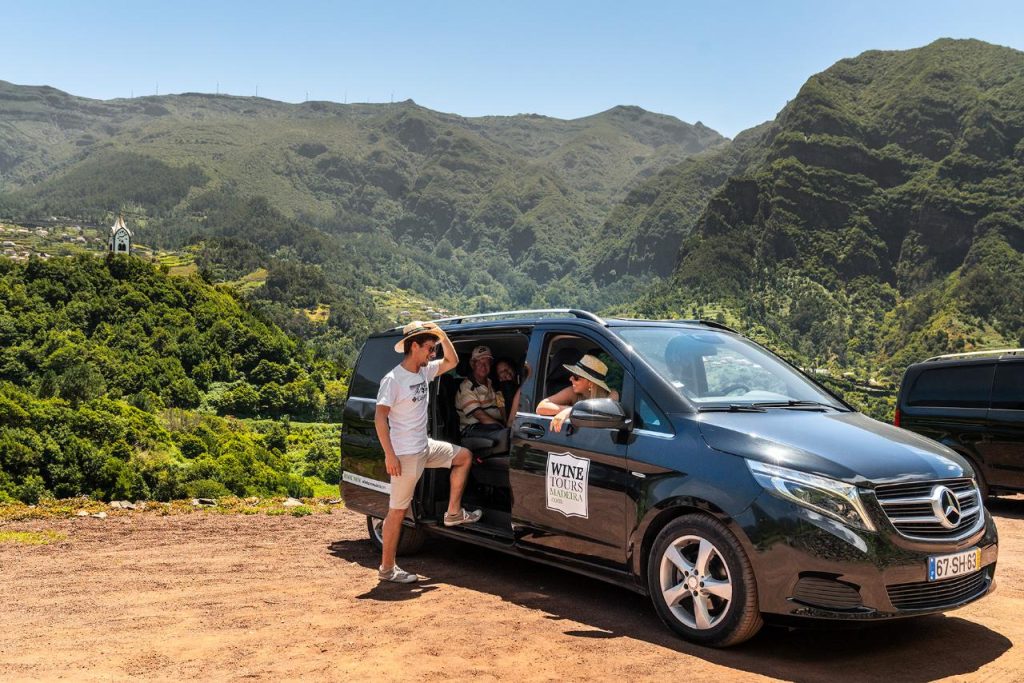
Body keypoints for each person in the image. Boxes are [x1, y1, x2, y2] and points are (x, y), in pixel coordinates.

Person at [375, 321, 482, 584]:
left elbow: (452, 361)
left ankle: (453, 512)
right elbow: (379, 419)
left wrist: (441, 335)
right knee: (397, 512)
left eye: (433, 348)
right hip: (405, 455)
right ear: (414, 347)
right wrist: (389, 455)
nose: (432, 353)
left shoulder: (424, 371)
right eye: (429, 348)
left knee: (463, 457)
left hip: (425, 447)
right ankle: (387, 569)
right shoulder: (393, 380)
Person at [537, 354, 619, 433]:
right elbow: (541, 407)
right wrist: (570, 410)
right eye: (571, 375)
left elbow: (601, 412)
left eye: (576, 377)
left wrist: (571, 411)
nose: (570, 379)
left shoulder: (611, 395)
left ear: (590, 383)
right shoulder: (572, 391)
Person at [455, 345, 509, 452]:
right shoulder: (467, 387)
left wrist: (507, 422)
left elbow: (501, 405)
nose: (483, 366)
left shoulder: (491, 382)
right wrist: (502, 427)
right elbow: (480, 416)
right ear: (472, 364)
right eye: (479, 362)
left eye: (487, 363)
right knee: (506, 435)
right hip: (472, 429)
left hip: (491, 425)